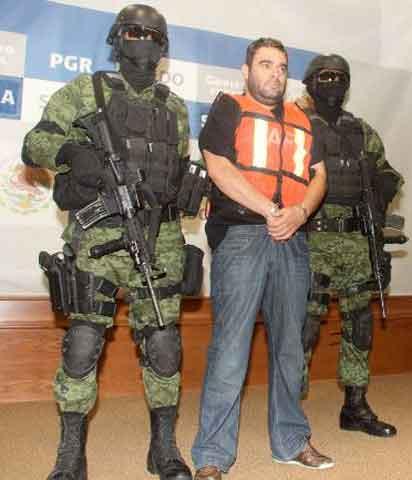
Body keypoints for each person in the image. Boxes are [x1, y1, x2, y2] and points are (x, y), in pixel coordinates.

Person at [23, 4, 205, 480]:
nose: (143, 41)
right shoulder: (85, 90)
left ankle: (163, 449)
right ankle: (70, 455)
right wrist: (74, 155)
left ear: (163, 48)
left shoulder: (174, 107)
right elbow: (35, 143)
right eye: (133, 32)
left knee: (164, 345)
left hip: (160, 239)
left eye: (152, 35)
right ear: (116, 39)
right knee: (83, 343)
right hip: (98, 235)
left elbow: (173, 172)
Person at [190, 38, 332, 480]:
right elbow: (218, 166)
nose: (275, 73)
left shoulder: (305, 119)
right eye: (266, 64)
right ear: (246, 70)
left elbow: (319, 176)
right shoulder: (228, 107)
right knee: (231, 346)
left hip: (294, 238)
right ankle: (213, 454)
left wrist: (300, 212)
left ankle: (291, 440)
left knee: (291, 346)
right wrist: (271, 211)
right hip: (242, 236)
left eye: (282, 67)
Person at [298, 53, 403, 437]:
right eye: (324, 76)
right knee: (304, 326)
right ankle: (289, 407)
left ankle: (355, 406)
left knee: (360, 324)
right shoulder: (296, 124)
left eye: (339, 77)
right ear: (310, 82)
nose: (332, 83)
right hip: (311, 238)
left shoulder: (361, 130)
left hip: (357, 240)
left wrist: (382, 189)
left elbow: (387, 172)